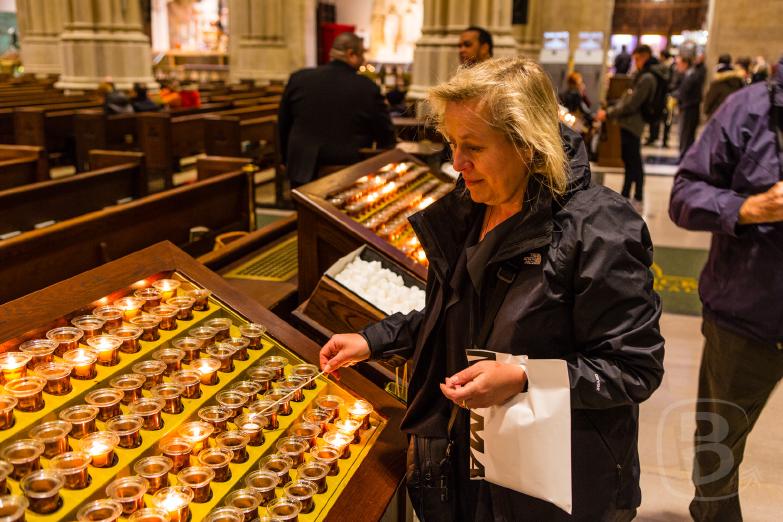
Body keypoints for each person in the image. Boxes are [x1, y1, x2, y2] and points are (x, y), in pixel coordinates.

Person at [320, 57, 665, 521]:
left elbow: (633, 367)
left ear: (527, 144)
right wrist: (375, 339)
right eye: (452, 144)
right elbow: (463, 316)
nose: (457, 164)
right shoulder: (474, 207)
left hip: (559, 482)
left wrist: (524, 378)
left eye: (474, 147)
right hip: (475, 458)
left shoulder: (601, 228)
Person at [669, 55, 783, 522]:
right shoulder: (749, 109)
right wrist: (751, 208)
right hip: (747, 317)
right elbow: (684, 195)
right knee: (718, 452)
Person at [278, 32, 395, 187]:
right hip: (347, 171)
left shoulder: (299, 78)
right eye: (362, 55)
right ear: (351, 54)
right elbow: (385, 134)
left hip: (302, 168)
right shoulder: (367, 88)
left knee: (304, 210)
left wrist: (285, 159)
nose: (363, 60)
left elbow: (283, 123)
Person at [596, 45, 661, 211]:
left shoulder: (647, 78)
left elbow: (632, 104)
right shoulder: (642, 75)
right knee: (629, 160)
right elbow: (627, 98)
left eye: (637, 59)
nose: (635, 62)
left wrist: (609, 113)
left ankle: (637, 196)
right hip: (629, 123)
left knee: (634, 162)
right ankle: (625, 193)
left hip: (634, 124)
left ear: (644, 57)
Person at [674, 54, 705, 158]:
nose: (677, 67)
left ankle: (684, 157)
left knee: (686, 135)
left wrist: (679, 101)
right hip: (688, 108)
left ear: (685, 63)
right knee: (685, 135)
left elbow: (685, 92)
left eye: (679, 64)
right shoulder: (689, 74)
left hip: (689, 109)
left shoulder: (691, 75)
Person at [703, 54, 746, 118]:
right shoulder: (738, 80)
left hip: (718, 116)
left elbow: (710, 100)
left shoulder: (717, 81)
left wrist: (706, 110)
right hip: (733, 116)